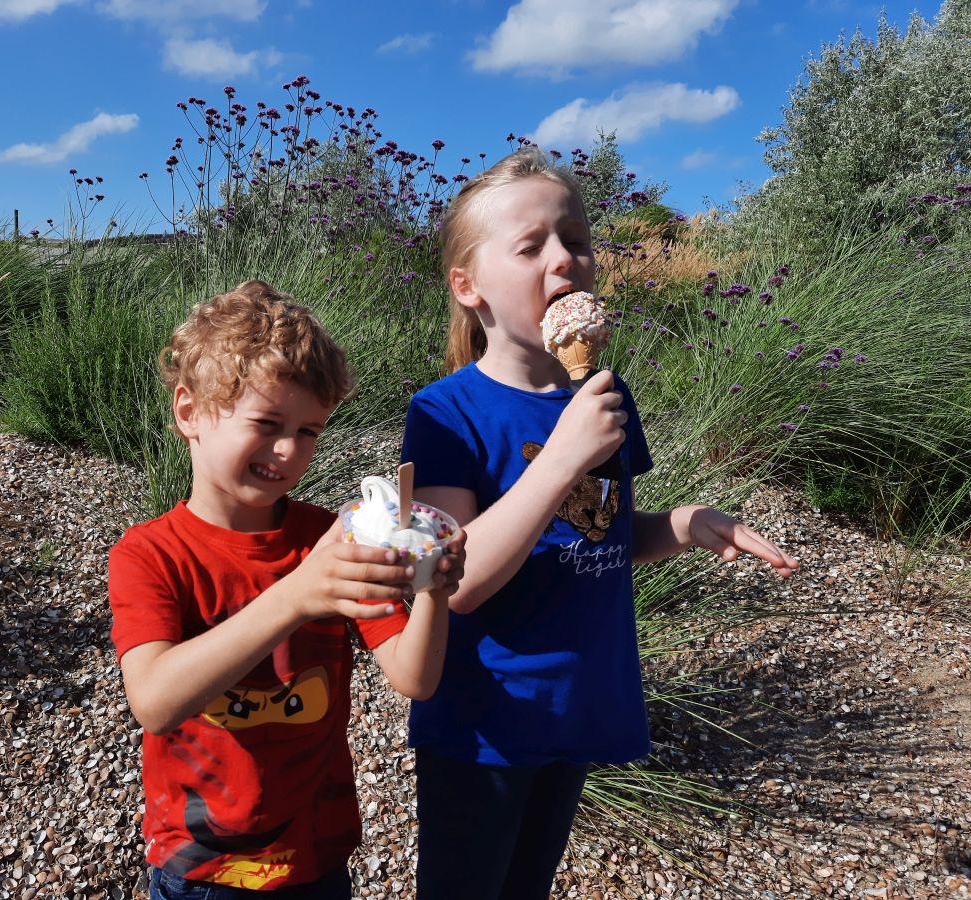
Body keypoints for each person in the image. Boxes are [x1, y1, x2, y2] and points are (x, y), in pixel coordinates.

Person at [401, 147, 799, 900]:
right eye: (530, 247)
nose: (565, 259)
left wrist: (682, 525)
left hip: (580, 702)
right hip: (486, 721)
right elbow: (453, 582)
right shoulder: (445, 414)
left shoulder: (606, 397)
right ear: (468, 286)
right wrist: (559, 459)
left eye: (577, 240)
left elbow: (602, 537)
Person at [109, 281, 465, 898]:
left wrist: (434, 586)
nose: (286, 450)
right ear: (189, 412)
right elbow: (156, 702)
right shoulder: (151, 554)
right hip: (205, 868)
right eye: (267, 422)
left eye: (308, 431)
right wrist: (296, 596)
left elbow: (414, 677)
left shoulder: (331, 538)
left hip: (315, 854)